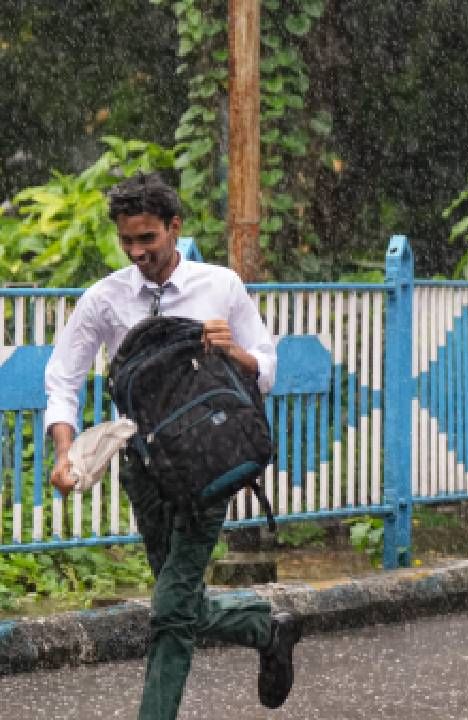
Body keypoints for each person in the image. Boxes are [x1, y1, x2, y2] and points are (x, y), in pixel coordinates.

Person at [44, 173, 301, 720]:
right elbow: (62, 380)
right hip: (144, 472)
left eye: (148, 240)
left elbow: (268, 368)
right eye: (128, 241)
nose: (137, 252)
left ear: (174, 228)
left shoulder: (220, 285)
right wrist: (64, 451)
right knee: (178, 602)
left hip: (210, 467)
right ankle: (262, 626)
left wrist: (234, 353)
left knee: (168, 610)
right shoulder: (104, 300)